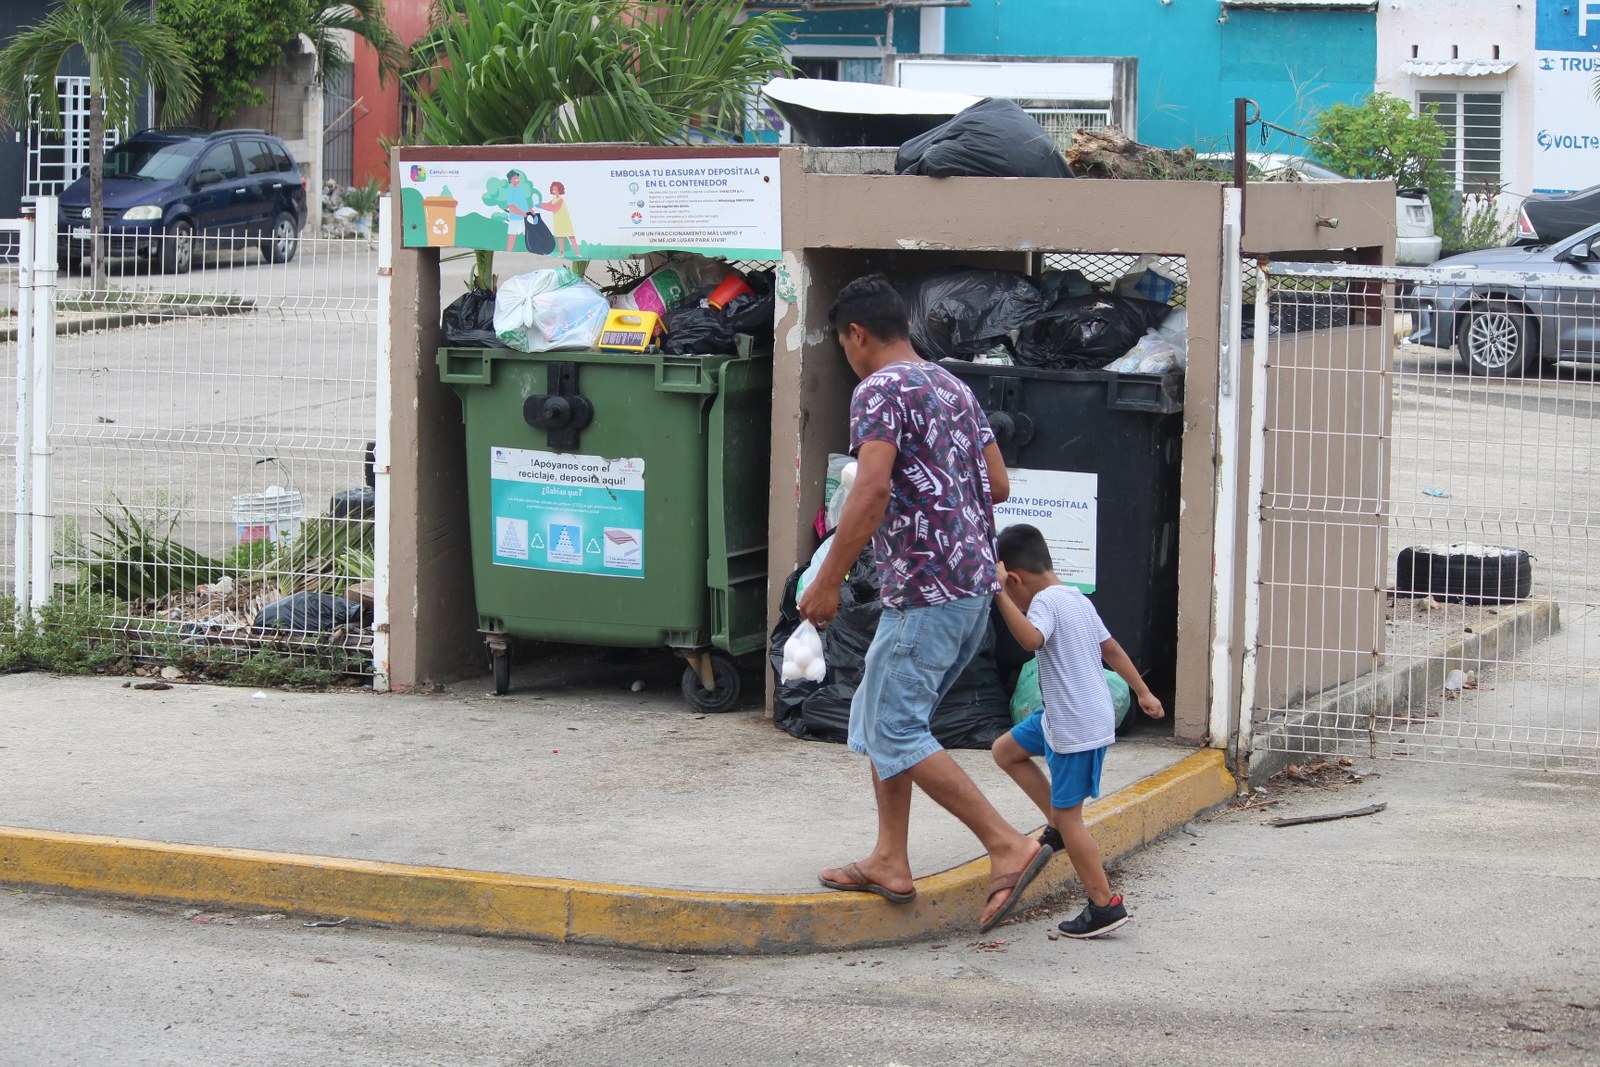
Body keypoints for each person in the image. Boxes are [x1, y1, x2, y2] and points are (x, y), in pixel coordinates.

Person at [797, 274, 1052, 934]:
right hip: (971, 587)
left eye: (844, 341)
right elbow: (996, 483)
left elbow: (873, 487)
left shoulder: (878, 390)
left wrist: (828, 578)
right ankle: (890, 857)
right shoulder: (952, 386)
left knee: (894, 726)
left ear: (857, 334)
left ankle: (1007, 843)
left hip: (925, 589)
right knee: (892, 718)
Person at [989, 523, 1166, 939]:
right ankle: (1057, 822)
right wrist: (1143, 692)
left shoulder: (1044, 602)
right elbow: (1113, 649)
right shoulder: (1076, 598)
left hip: (1074, 726)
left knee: (1073, 819)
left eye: (1008, 586)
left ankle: (1104, 905)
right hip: (1068, 717)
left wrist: (997, 595)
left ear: (1014, 577)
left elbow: (1032, 640)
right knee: (1005, 750)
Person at [537, 181, 580, 258]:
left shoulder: (560, 200)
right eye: (553, 190)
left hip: (565, 221)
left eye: (556, 189)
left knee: (571, 237)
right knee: (560, 237)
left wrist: (541, 206)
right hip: (558, 221)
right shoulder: (554, 199)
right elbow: (548, 204)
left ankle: (578, 253)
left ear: (559, 190)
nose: (554, 191)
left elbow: (553, 207)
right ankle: (561, 253)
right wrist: (541, 204)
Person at [504, 170, 533, 252]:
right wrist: (522, 213)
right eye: (514, 178)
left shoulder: (520, 190)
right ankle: (508, 252)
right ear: (510, 180)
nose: (516, 179)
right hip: (514, 217)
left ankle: (530, 251)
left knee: (527, 235)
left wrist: (529, 210)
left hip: (524, 218)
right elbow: (511, 206)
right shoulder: (510, 191)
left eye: (517, 177)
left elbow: (523, 204)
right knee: (512, 235)